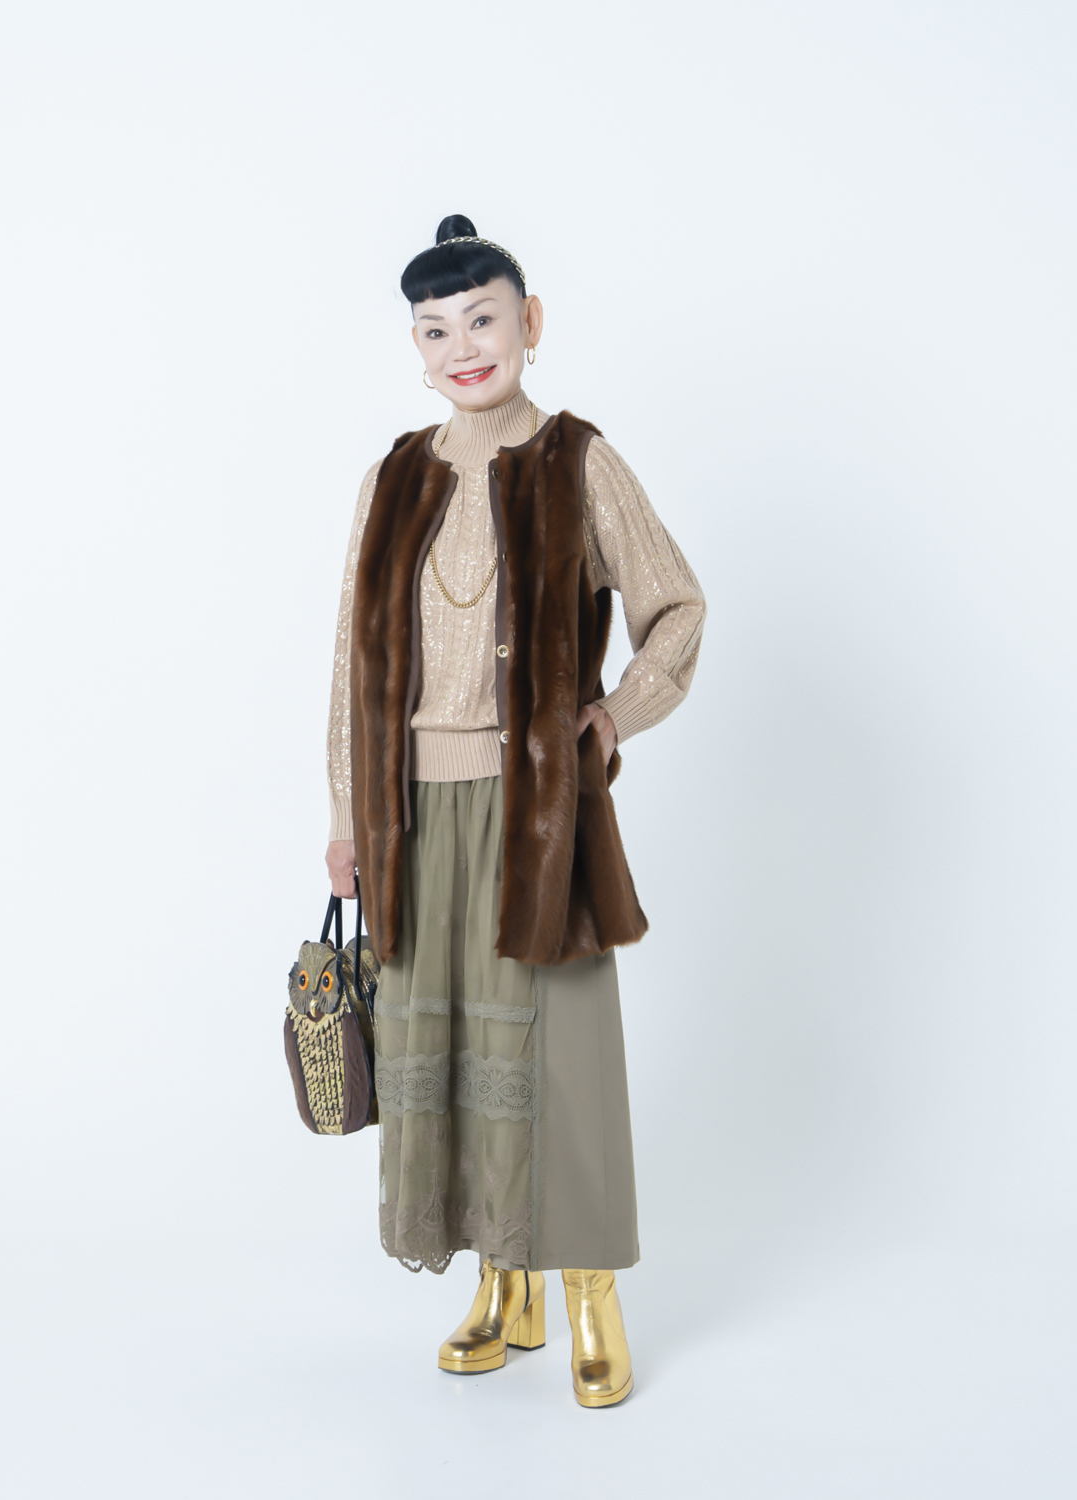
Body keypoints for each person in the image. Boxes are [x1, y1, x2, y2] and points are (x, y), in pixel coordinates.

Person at [323, 215, 705, 1408]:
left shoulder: (579, 461)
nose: (463, 347)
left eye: (482, 318)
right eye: (435, 330)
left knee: (562, 1052)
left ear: (529, 323)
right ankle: (504, 1285)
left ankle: (589, 1290)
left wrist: (615, 718)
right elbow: (349, 663)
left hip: (539, 810)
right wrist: (344, 815)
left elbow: (676, 608)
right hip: (408, 816)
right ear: (418, 351)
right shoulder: (394, 476)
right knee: (440, 1050)